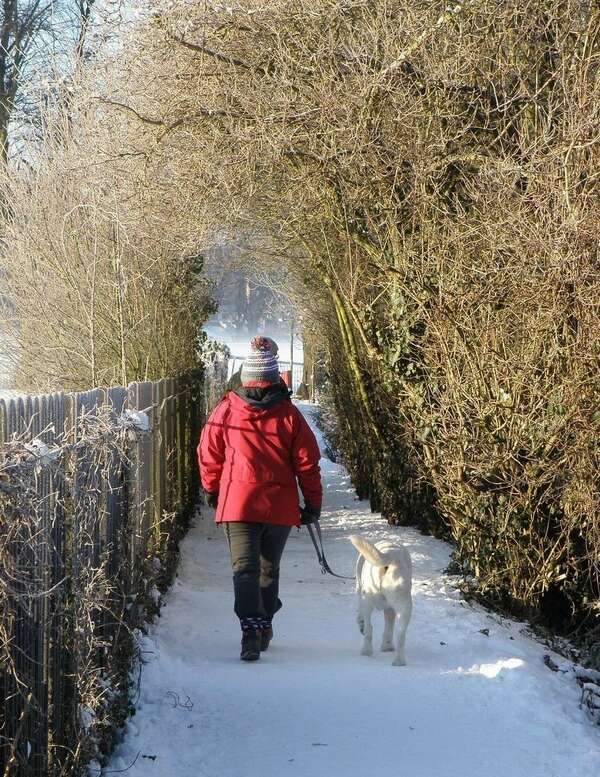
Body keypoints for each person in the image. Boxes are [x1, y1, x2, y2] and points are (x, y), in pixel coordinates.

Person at [198, 336, 322, 661]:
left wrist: (213, 489)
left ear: (245, 375)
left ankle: (250, 631)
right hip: (278, 507)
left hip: (237, 503)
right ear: (274, 375)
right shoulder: (289, 415)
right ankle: (264, 622)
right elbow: (308, 463)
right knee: (268, 568)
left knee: (244, 569)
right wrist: (312, 504)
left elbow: (208, 454)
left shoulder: (225, 410)